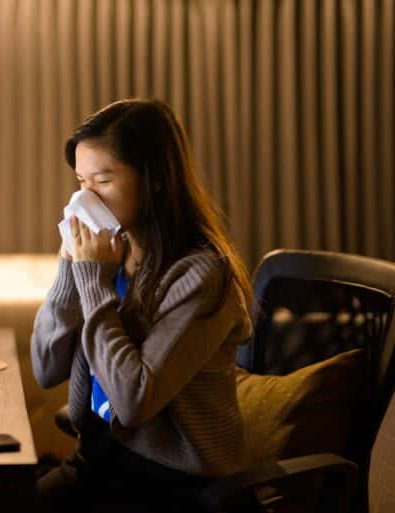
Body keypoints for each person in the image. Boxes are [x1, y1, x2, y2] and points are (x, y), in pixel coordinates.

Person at [32, 99, 254, 512]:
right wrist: (69, 266)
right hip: (99, 464)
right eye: (81, 182)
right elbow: (46, 367)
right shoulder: (111, 255)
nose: (86, 200)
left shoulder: (201, 274)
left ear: (154, 180)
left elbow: (133, 401)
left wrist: (92, 282)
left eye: (102, 181)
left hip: (172, 484)